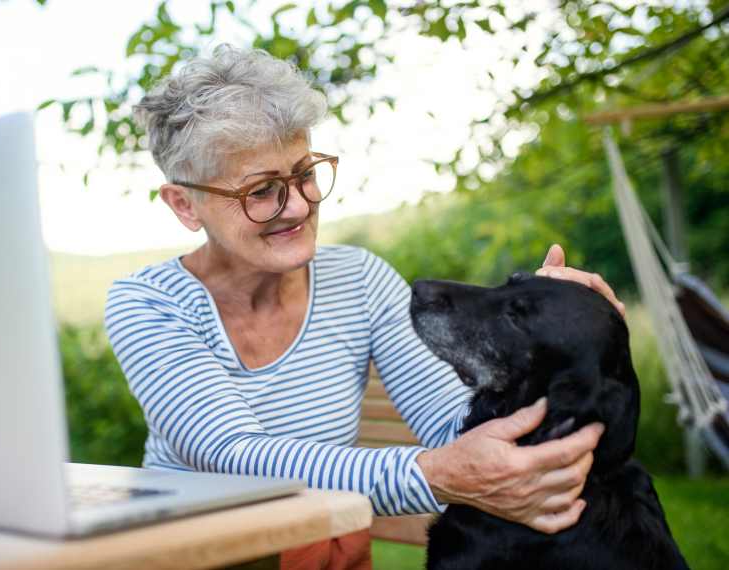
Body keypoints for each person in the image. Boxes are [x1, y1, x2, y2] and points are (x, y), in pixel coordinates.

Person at [105, 45, 625, 568]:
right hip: (200, 555)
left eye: (305, 173)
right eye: (261, 191)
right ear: (184, 205)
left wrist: (568, 333)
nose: (301, 206)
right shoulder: (148, 305)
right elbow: (232, 455)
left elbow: (456, 428)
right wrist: (434, 475)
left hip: (327, 550)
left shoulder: (358, 278)